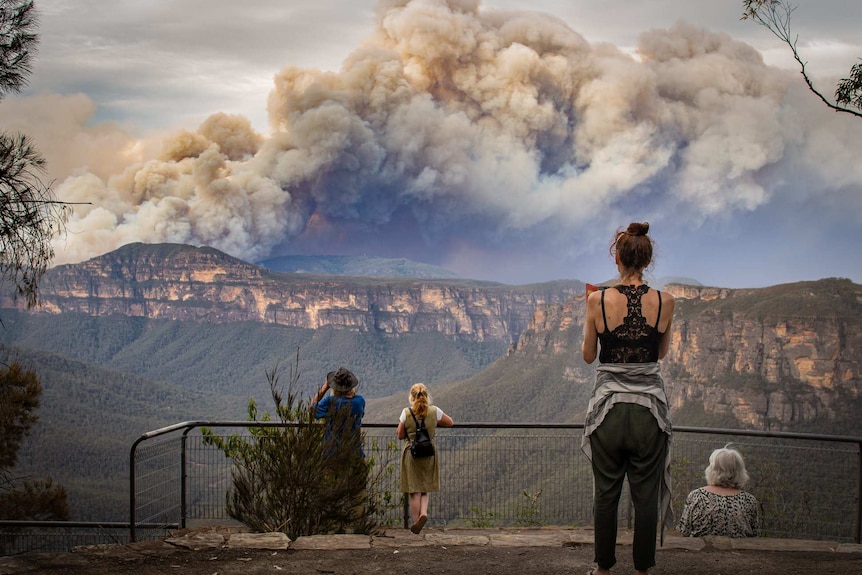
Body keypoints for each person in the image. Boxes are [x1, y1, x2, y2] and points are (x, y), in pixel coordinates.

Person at [581, 222, 676, 575]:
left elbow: (589, 356)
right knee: (645, 495)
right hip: (649, 411)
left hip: (609, 410)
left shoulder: (598, 299)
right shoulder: (667, 300)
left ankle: (603, 568)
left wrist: (591, 317)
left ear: (617, 258)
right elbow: (660, 354)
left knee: (606, 494)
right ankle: (642, 570)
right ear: (647, 260)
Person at [396, 382, 454, 534]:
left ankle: (416, 522)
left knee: (414, 489)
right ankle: (424, 513)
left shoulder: (406, 413)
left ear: (411, 397)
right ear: (427, 396)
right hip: (429, 452)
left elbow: (400, 434)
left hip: (412, 453)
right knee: (425, 487)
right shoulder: (434, 411)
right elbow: (450, 422)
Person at [677, 446, 760, 538]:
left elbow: (684, 531)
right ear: (740, 471)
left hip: (701, 550)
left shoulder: (696, 496)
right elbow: (754, 534)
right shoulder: (749, 500)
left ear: (711, 470)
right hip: (738, 550)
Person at [310, 367, 366, 457]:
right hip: (354, 453)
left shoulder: (330, 402)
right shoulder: (359, 401)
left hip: (332, 454)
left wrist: (324, 387)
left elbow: (312, 409)